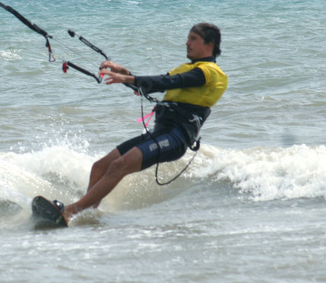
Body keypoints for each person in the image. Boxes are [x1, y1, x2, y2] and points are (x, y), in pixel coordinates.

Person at [58, 23, 228, 224]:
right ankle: (87, 216)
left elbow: (169, 83)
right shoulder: (187, 68)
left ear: (209, 44)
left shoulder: (211, 73)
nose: (187, 43)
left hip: (176, 137)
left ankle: (71, 211)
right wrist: (124, 72)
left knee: (119, 165)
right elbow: (156, 83)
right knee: (100, 166)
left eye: (193, 39)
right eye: (188, 38)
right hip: (160, 133)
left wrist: (128, 77)